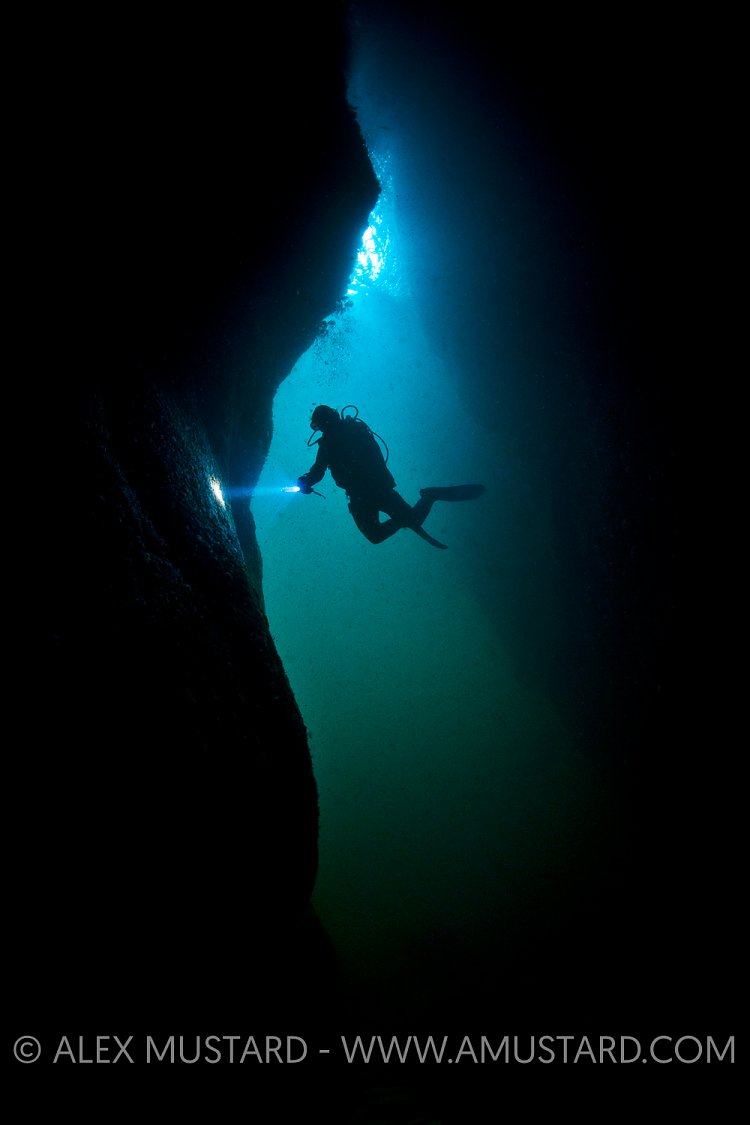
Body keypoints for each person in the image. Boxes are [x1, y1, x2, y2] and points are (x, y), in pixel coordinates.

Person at [296, 405, 484, 549]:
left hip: (363, 494)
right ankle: (426, 499)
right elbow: (372, 456)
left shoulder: (329, 444)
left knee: (376, 535)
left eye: (318, 426)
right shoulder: (355, 430)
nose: (321, 429)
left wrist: (305, 481)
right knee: (408, 523)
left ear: (321, 424)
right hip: (378, 488)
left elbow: (318, 472)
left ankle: (425, 501)